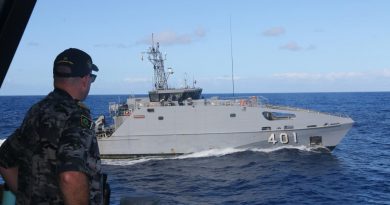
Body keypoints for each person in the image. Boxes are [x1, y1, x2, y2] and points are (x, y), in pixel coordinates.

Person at [0, 48, 102, 205]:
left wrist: (27, 197)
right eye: (92, 78)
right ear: (85, 80)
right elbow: (70, 176)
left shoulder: (36, 111)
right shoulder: (76, 116)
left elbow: (4, 159)